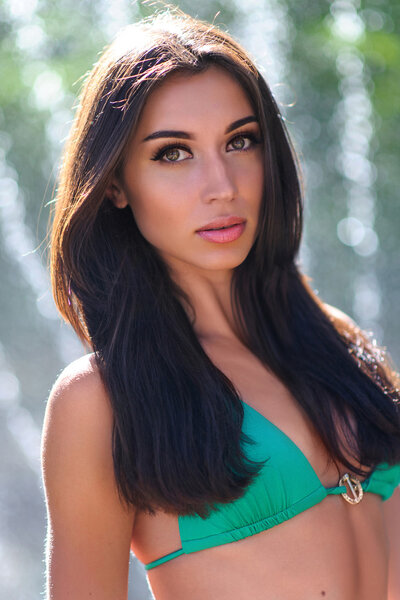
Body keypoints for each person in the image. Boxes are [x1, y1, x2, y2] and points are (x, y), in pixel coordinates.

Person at [41, 6, 400, 600]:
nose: (222, 186)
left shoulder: (334, 342)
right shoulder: (101, 401)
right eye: (173, 153)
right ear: (114, 185)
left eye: (240, 141)